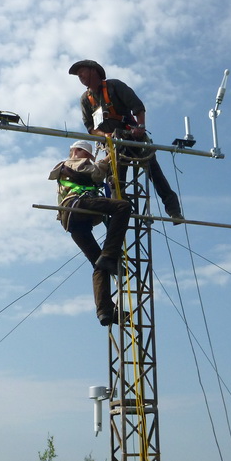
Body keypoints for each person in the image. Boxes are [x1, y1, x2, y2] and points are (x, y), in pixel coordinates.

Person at [68, 59, 183, 221]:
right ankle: (121, 210)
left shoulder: (114, 86)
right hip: (112, 144)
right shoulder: (86, 99)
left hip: (131, 137)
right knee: (115, 180)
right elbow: (90, 128)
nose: (79, 76)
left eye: (82, 71)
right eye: (78, 74)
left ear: (94, 71)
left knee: (155, 173)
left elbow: (137, 107)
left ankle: (173, 210)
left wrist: (141, 127)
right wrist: (104, 135)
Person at [49, 140, 131, 326]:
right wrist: (109, 158)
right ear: (77, 151)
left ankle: (105, 311)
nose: (89, 158)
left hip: (75, 222)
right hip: (78, 206)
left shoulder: (74, 165)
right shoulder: (71, 163)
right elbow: (96, 173)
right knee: (123, 207)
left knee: (99, 264)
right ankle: (110, 254)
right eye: (87, 155)